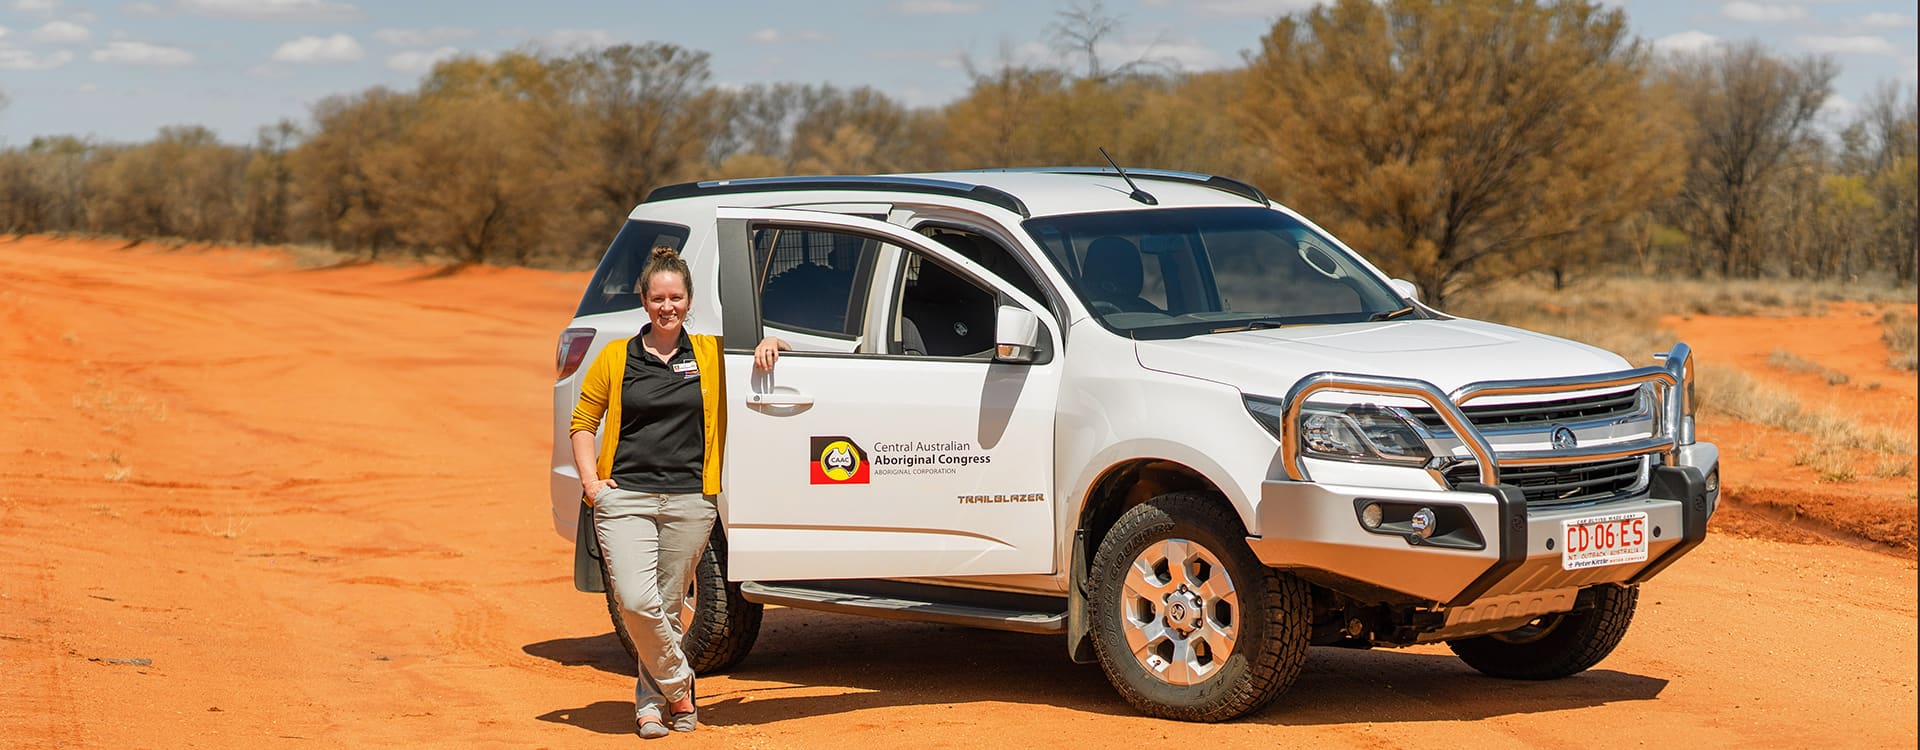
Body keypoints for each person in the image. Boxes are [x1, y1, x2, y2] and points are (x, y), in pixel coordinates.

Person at [567, 245, 788, 739]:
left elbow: (772, 364)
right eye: (658, 298)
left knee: (665, 609)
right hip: (625, 498)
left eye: (676, 298)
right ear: (643, 301)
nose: (667, 307)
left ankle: (651, 705)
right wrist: (591, 484)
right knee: (635, 602)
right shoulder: (616, 357)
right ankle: (680, 685)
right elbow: (583, 422)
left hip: (690, 501)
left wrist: (773, 341)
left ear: (689, 301)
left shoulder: (710, 353)